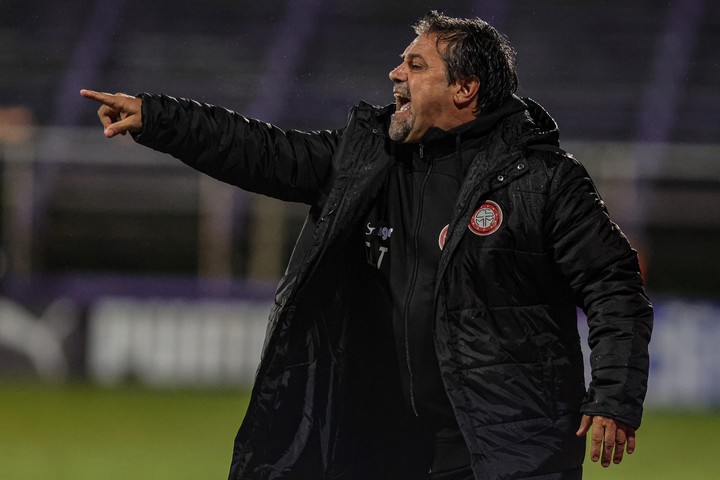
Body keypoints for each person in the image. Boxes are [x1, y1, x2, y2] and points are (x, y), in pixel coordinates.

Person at [80, 11, 652, 480]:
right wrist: (157, 118)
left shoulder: (544, 181)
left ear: (464, 88)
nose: (393, 73)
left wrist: (614, 396)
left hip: (505, 450)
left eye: (415, 64)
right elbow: (260, 150)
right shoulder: (367, 158)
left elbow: (615, 285)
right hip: (385, 448)